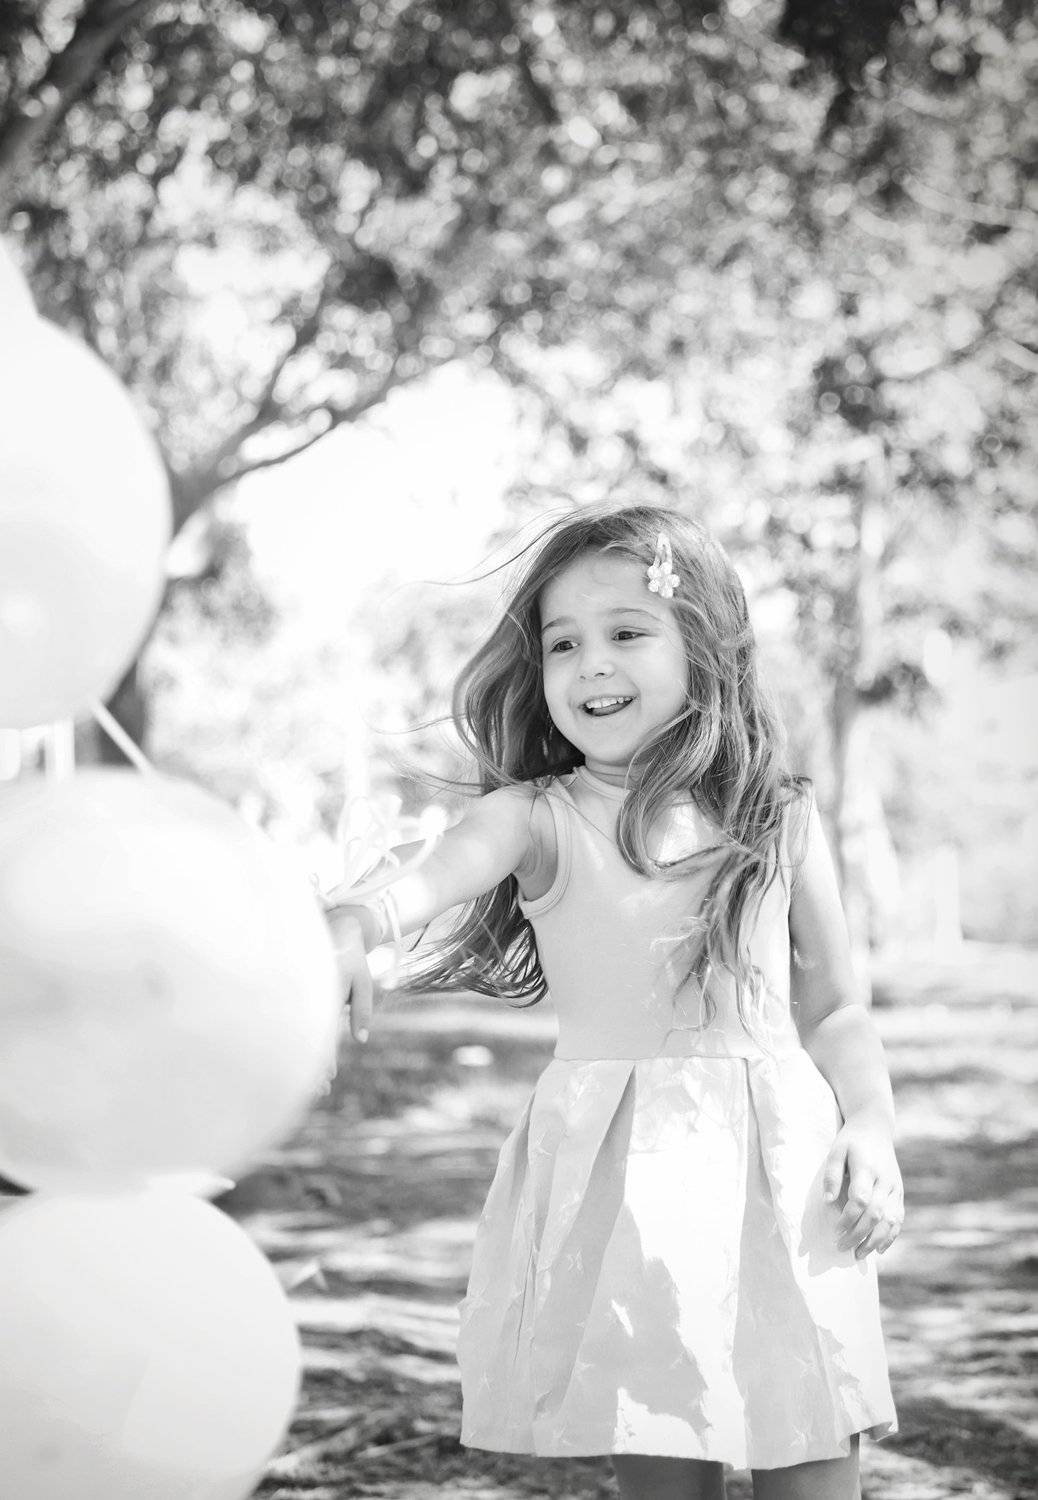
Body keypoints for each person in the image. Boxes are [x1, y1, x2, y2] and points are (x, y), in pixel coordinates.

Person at [326, 504, 902, 1500]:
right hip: (634, 1185)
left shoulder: (777, 818)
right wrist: (361, 919)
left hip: (786, 1176)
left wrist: (875, 1125)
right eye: (563, 643)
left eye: (627, 632)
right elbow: (442, 869)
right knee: (664, 1441)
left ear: (704, 648)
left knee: (811, 1443)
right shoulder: (536, 818)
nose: (590, 663)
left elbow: (836, 1008)